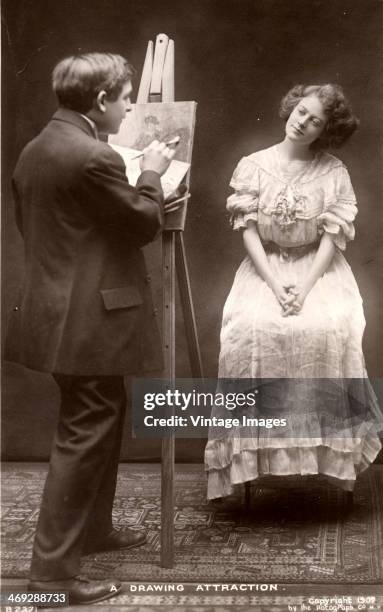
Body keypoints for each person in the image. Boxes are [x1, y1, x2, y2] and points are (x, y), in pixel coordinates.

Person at [7, 53, 175, 604]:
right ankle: (52, 579)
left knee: (103, 418)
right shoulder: (94, 156)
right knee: (83, 440)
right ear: (101, 101)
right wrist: (150, 171)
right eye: (126, 98)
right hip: (87, 325)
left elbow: (60, 232)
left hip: (55, 319)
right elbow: (143, 221)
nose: (130, 108)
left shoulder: (37, 149)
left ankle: (96, 530)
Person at [205, 84, 383, 500]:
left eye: (314, 120)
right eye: (301, 111)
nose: (302, 122)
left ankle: (330, 461)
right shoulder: (253, 165)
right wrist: (274, 282)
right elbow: (247, 231)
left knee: (331, 330)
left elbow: (331, 239)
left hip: (320, 272)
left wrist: (302, 289)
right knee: (248, 331)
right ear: (291, 108)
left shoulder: (334, 172)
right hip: (263, 267)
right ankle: (253, 459)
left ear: (325, 130)